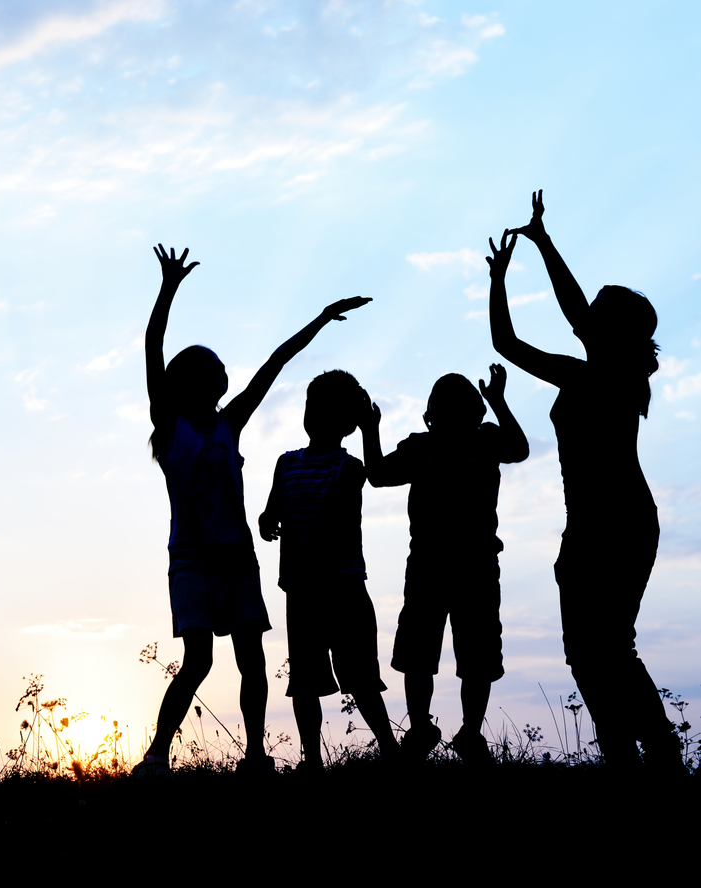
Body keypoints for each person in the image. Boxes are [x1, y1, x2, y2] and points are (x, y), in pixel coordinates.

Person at [138, 245, 370, 777]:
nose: (221, 374)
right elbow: (152, 346)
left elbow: (275, 363)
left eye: (221, 369)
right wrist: (168, 289)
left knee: (253, 662)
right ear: (188, 380)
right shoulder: (171, 426)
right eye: (211, 367)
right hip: (192, 560)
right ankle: (157, 754)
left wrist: (321, 318)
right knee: (198, 660)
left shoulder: (230, 422)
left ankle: (257, 754)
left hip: (238, 559)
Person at [487, 190, 680, 768]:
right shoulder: (586, 373)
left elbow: (571, 315)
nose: (584, 317)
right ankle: (622, 752)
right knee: (586, 653)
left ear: (613, 333)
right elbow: (505, 342)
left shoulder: (612, 380)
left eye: (597, 314)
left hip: (620, 525)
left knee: (610, 649)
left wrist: (543, 245)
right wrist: (502, 276)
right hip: (588, 528)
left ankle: (660, 751)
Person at [367, 366, 528, 765]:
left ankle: (466, 732)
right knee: (426, 653)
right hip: (432, 565)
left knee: (474, 654)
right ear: (434, 415)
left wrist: (499, 404)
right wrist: (370, 429)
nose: (453, 416)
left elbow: (520, 449)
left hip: (470, 565)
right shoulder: (422, 446)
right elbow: (378, 476)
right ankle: (428, 728)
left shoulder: (485, 439)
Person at [258, 370, 398, 771]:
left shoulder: (349, 467)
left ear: (347, 423)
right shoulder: (286, 464)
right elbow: (273, 509)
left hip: (343, 587)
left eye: (325, 408)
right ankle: (312, 759)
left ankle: (390, 749)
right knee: (305, 681)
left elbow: (368, 478)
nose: (314, 414)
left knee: (360, 677)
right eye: (310, 405)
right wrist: (267, 520)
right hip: (301, 590)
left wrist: (371, 429)